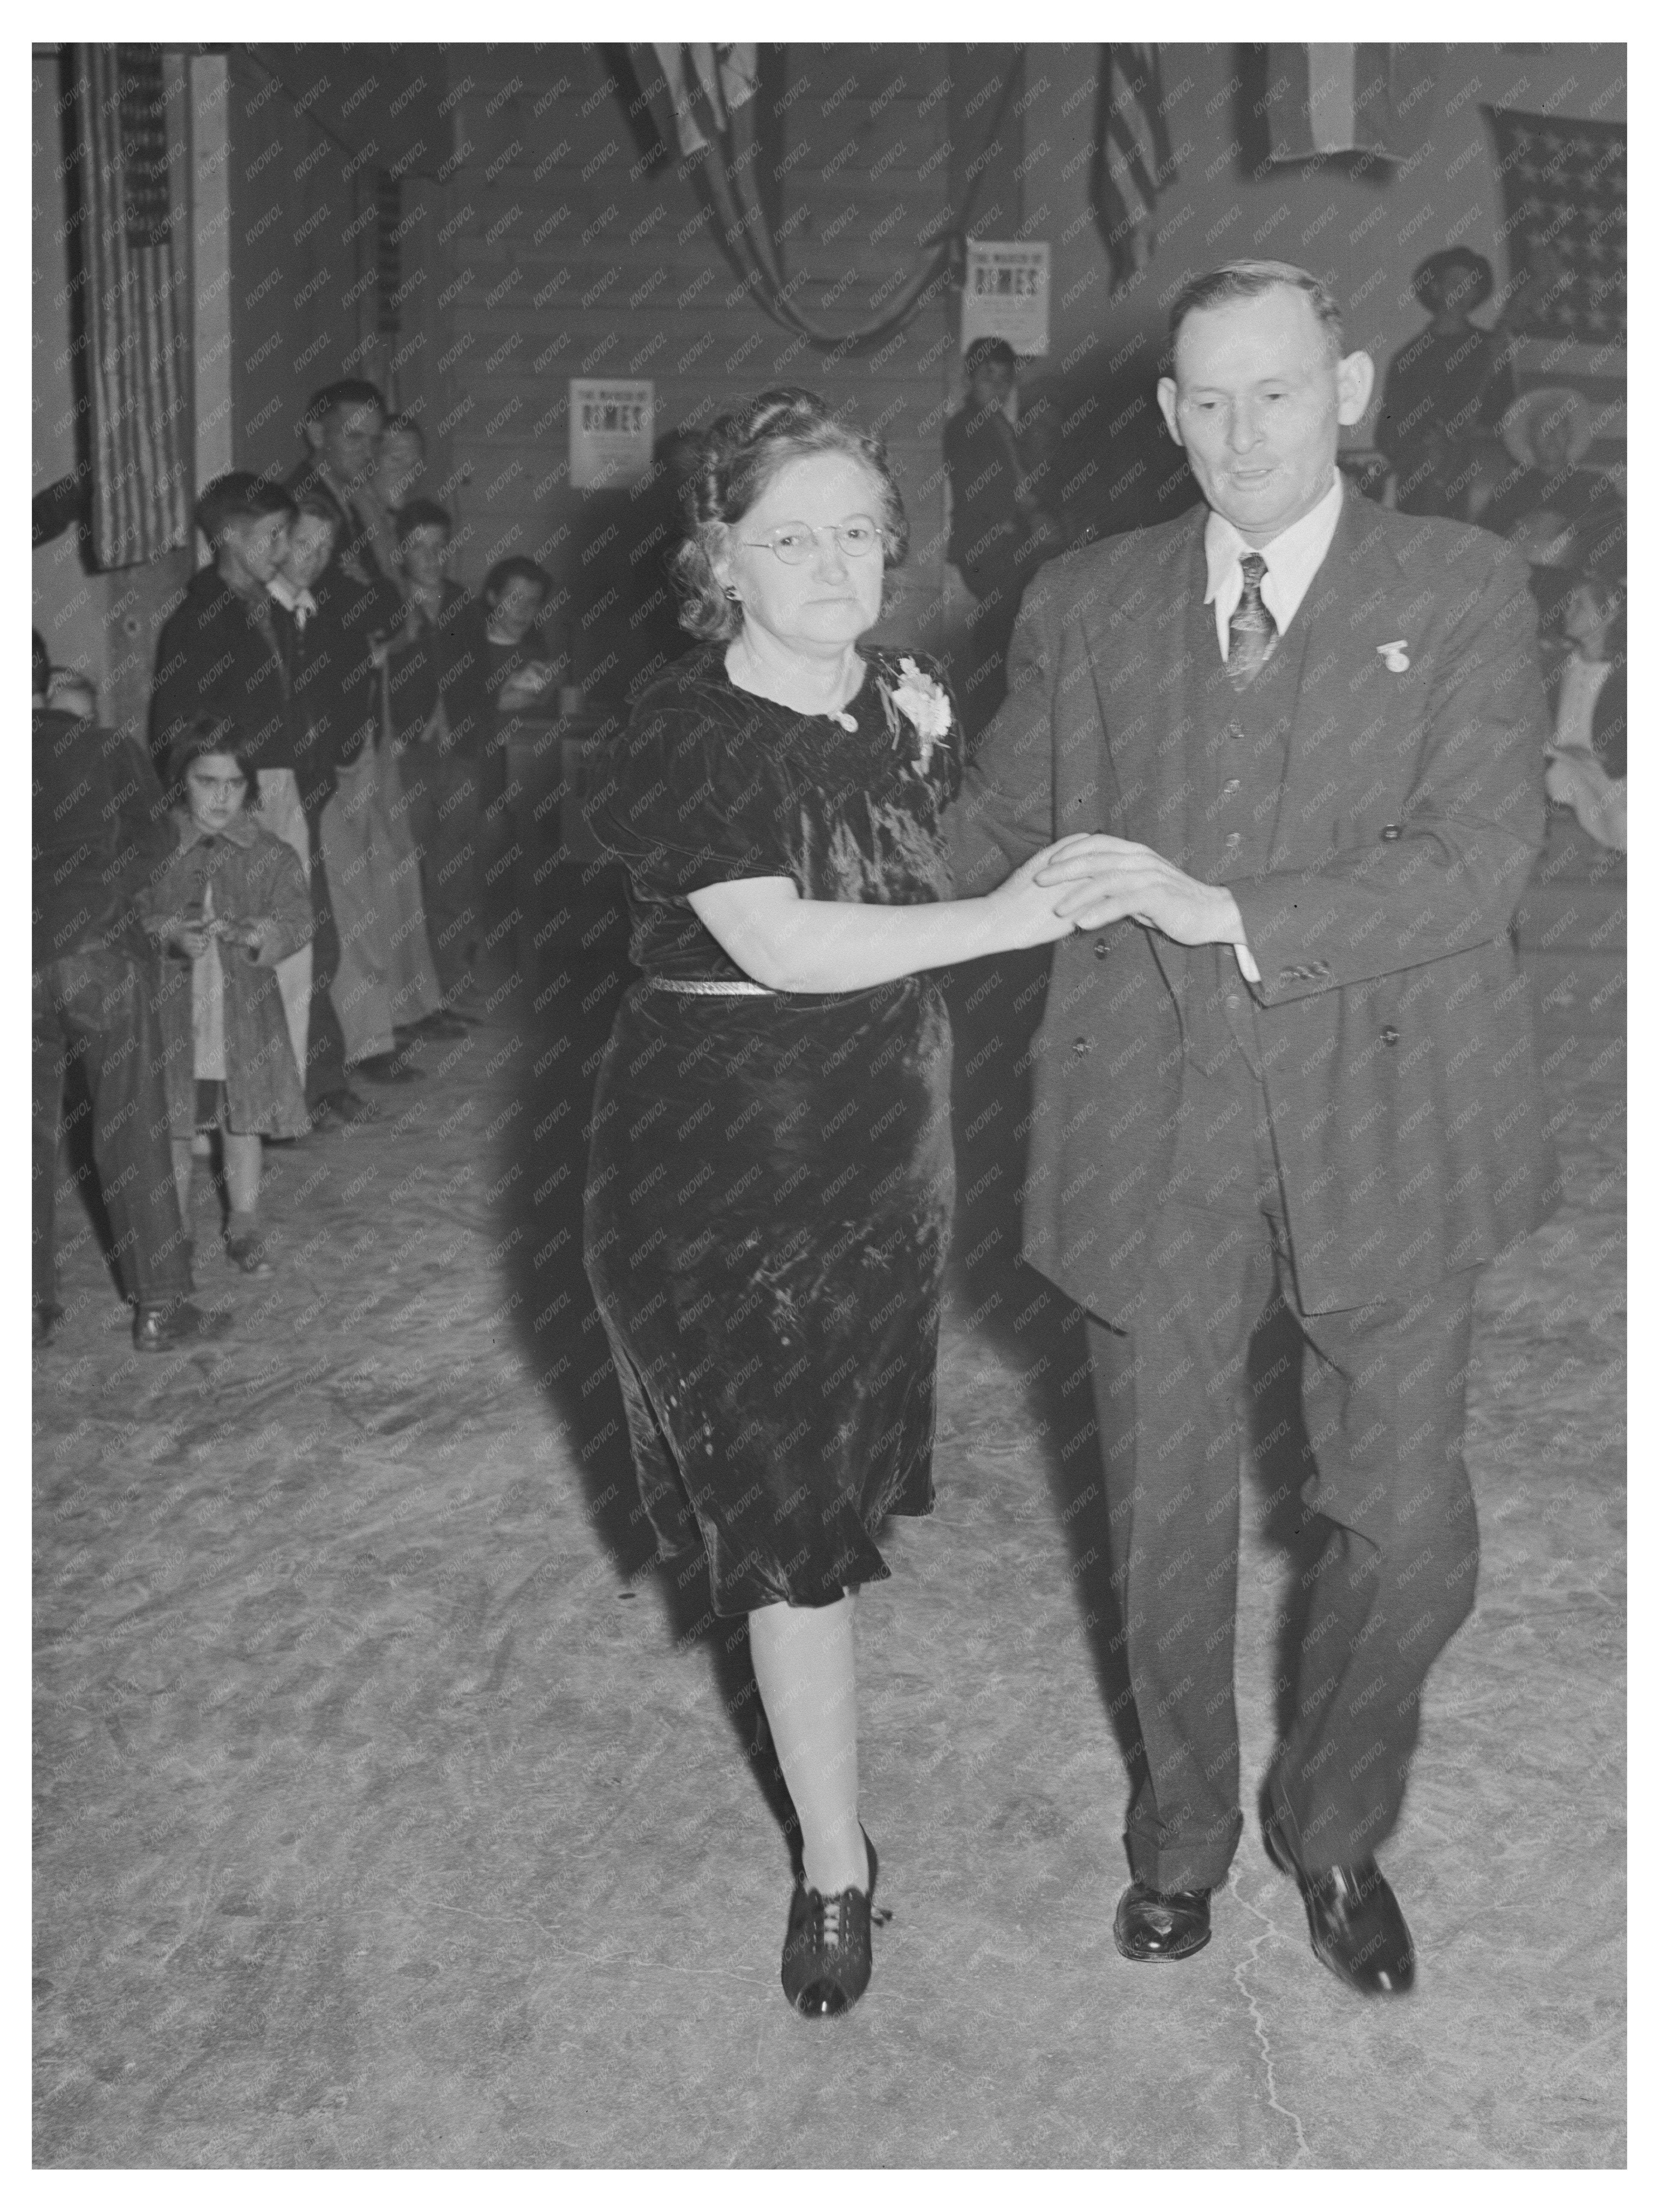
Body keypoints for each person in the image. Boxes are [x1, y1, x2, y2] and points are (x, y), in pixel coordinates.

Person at [949, 261, 1554, 1995]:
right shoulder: (1085, 598)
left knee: (1407, 1530)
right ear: (1165, 413)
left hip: (1389, 1108)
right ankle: (1181, 1835)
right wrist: (807, 765)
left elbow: (1475, 858)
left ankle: (1332, 1820)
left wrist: (1227, 908)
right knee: (1162, 1512)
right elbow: (990, 829)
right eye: (1206, 400)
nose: (1241, 433)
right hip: (1148, 1114)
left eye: (1275, 391)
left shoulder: (1460, 585)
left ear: (1348, 390)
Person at [583, 387, 1081, 2018]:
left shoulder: (904, 704)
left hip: (884, 1138)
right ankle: (834, 1866)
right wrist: (1010, 920)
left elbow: (940, 857)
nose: (828, 563)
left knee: (836, 1488)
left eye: (856, 531)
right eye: (787, 535)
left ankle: (831, 1820)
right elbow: (785, 939)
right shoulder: (677, 728)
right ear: (716, 558)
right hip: (718, 1151)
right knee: (787, 1524)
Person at [151, 473, 373, 1130]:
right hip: (237, 797)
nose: (283, 549)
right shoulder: (199, 619)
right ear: (226, 537)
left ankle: (283, 1096)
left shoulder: (271, 609)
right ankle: (222, 1110)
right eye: (273, 536)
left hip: (284, 790)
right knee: (230, 955)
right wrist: (215, 802)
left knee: (290, 943)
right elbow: (175, 728)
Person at [32, 633, 230, 1352]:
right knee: (131, 1128)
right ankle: (160, 1308)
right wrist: (103, 898)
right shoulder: (104, 746)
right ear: (44, 680)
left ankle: (28, 1309)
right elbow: (155, 840)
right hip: (97, 956)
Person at [140, 718, 314, 1275]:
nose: (220, 797)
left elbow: (298, 919)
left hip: (241, 1012)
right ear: (181, 782)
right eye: (206, 782)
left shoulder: (270, 852)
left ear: (250, 787)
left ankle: (245, 1226)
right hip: (175, 1014)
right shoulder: (155, 847)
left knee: (244, 1117)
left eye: (234, 784)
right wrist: (168, 933)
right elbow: (128, 914)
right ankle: (176, 1232)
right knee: (174, 1120)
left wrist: (257, 932)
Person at [273, 498, 429, 1082]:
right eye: (302, 545)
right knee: (343, 907)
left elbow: (388, 609)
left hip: (346, 758)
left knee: (359, 900)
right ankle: (357, 1047)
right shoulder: (288, 610)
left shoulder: (321, 603)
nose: (313, 559)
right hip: (316, 775)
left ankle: (366, 1040)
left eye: (324, 548)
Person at [435, 557, 562, 987]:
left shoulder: (537, 653)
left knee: (503, 881)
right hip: (466, 776)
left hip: (518, 787)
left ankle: (489, 966)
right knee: (456, 881)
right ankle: (455, 971)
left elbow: (536, 712)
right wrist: (500, 699)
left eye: (533, 601)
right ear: (491, 597)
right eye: (514, 598)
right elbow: (467, 710)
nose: (523, 610)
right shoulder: (465, 646)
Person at [380, 500, 477, 1021]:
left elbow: (480, 681)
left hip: (457, 753)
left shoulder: (463, 604)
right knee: (408, 872)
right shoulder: (387, 605)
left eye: (440, 546)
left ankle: (451, 982)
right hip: (406, 754)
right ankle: (409, 996)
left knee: (455, 872)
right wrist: (390, 735)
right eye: (419, 547)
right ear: (400, 551)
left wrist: (473, 739)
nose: (432, 557)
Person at [943, 337, 1061, 738]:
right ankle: (984, 727)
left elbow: (1019, 479)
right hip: (988, 546)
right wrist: (1017, 517)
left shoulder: (1000, 425)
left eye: (1005, 379)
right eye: (987, 377)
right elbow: (978, 488)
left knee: (1005, 634)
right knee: (998, 638)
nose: (997, 387)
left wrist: (1036, 512)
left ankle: (993, 722)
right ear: (969, 380)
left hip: (1008, 543)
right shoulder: (965, 426)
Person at [1375, 248, 1518, 519]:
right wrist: (1423, 446)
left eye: (1469, 284)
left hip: (1479, 486)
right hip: (1422, 489)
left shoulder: (1491, 350)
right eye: (1453, 283)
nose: (1461, 291)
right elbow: (1387, 434)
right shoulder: (1408, 358)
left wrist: (1473, 434)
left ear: (1476, 293)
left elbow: (1510, 419)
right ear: (1435, 289)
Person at [286, 379, 403, 640]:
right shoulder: (303, 504)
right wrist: (376, 591)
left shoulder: (349, 501)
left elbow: (392, 600)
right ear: (318, 435)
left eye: (375, 442)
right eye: (354, 437)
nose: (368, 454)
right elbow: (345, 607)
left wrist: (376, 590)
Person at [1543, 571, 1626, 851]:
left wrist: (1605, 758)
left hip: (1612, 780)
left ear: (1607, 614)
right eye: (1568, 604)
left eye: (1579, 605)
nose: (1567, 612)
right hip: (1561, 772)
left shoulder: (1624, 675)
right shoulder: (1557, 664)